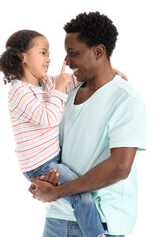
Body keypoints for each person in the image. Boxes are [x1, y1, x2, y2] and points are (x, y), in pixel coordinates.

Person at [28, 12, 147, 237]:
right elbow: (57, 153)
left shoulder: (126, 99)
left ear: (98, 51)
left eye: (73, 53)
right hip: (58, 216)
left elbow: (120, 167)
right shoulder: (66, 96)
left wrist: (58, 191)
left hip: (100, 220)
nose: (67, 61)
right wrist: (45, 178)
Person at [0, 29, 111, 237]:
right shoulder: (18, 91)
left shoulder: (44, 83)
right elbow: (46, 118)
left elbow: (71, 81)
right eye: (43, 53)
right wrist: (58, 89)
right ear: (23, 57)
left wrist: (111, 73)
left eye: (49, 54)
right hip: (40, 165)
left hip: (53, 158)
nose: (48, 59)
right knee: (80, 194)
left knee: (80, 191)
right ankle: (97, 235)